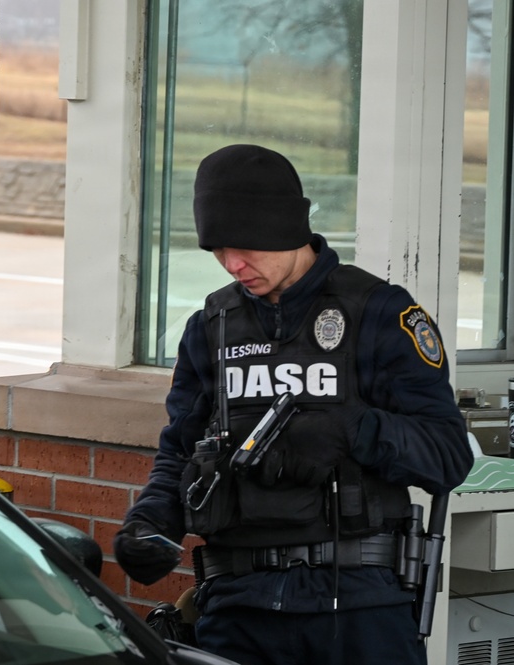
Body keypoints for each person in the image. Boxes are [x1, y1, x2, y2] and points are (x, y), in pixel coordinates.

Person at [113, 144, 473, 665]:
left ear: (286, 229)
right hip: (236, 606)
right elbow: (180, 451)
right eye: (217, 250)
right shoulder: (211, 328)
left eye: (246, 247)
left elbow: (447, 456)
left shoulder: (379, 314)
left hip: (357, 607)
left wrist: (349, 430)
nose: (233, 264)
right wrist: (150, 522)